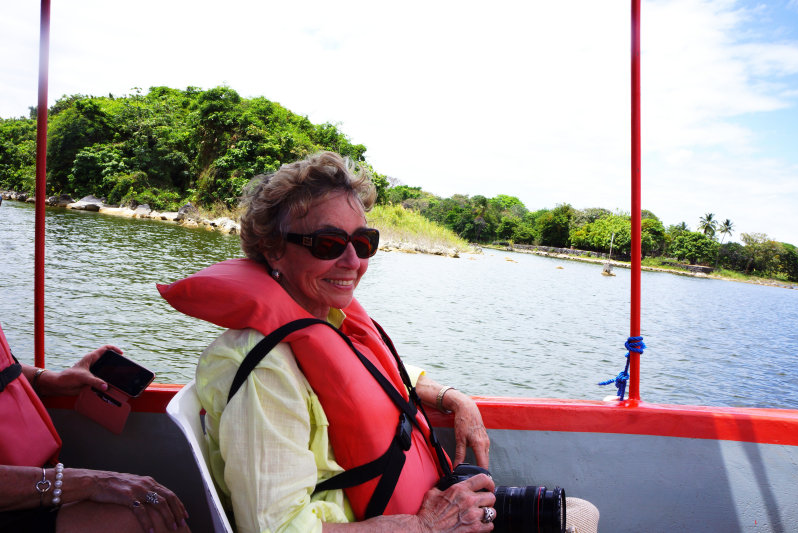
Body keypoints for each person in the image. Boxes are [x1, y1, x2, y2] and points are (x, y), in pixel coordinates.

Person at [158, 151, 595, 532]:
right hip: (398, 523)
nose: (352, 261)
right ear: (274, 250)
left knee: (576, 513)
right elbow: (278, 529)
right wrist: (425, 527)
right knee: (576, 519)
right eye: (329, 243)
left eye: (363, 242)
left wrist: (453, 399)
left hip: (412, 508)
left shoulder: (328, 319)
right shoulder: (262, 370)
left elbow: (384, 383)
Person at [0, 324, 191, 533]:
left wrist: (48, 380)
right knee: (152, 517)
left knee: (155, 506)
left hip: (34, 476)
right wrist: (93, 482)